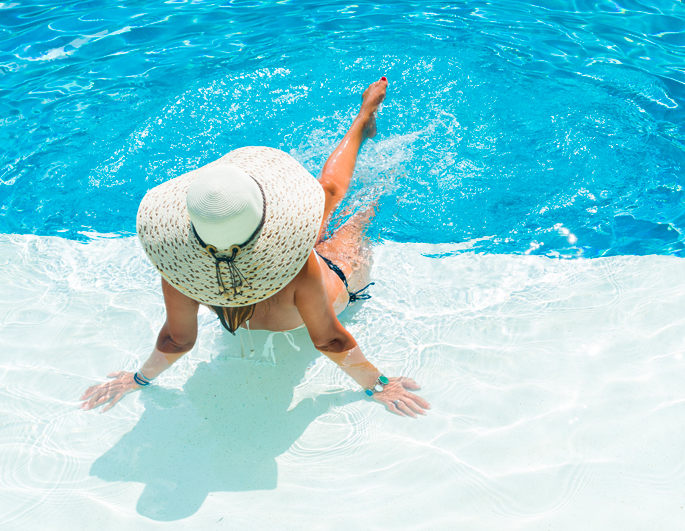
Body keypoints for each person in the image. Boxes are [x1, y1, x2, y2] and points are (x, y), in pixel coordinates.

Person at [80, 77, 430, 418]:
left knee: (332, 198)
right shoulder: (299, 269)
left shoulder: (180, 271)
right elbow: (329, 340)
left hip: (276, 276)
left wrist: (137, 379)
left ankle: (362, 121)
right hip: (338, 276)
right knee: (356, 209)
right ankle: (363, 121)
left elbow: (177, 340)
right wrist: (378, 385)